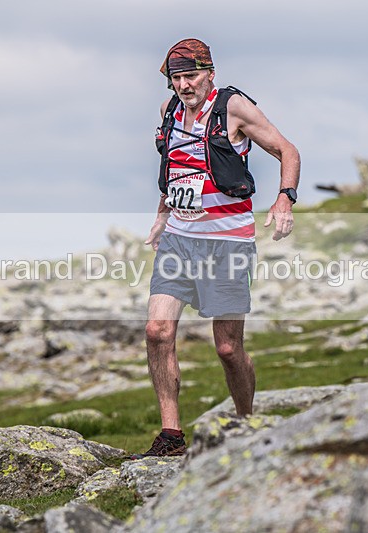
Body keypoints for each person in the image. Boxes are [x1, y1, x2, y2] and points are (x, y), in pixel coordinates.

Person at [133, 38, 300, 458]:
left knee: (227, 348)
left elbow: (287, 150)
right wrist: (161, 215)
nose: (184, 86)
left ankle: (246, 425)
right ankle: (171, 436)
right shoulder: (169, 111)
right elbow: (175, 170)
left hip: (228, 242)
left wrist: (284, 200)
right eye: (177, 79)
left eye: (191, 76)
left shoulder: (233, 108)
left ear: (210, 73)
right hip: (180, 240)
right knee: (157, 331)